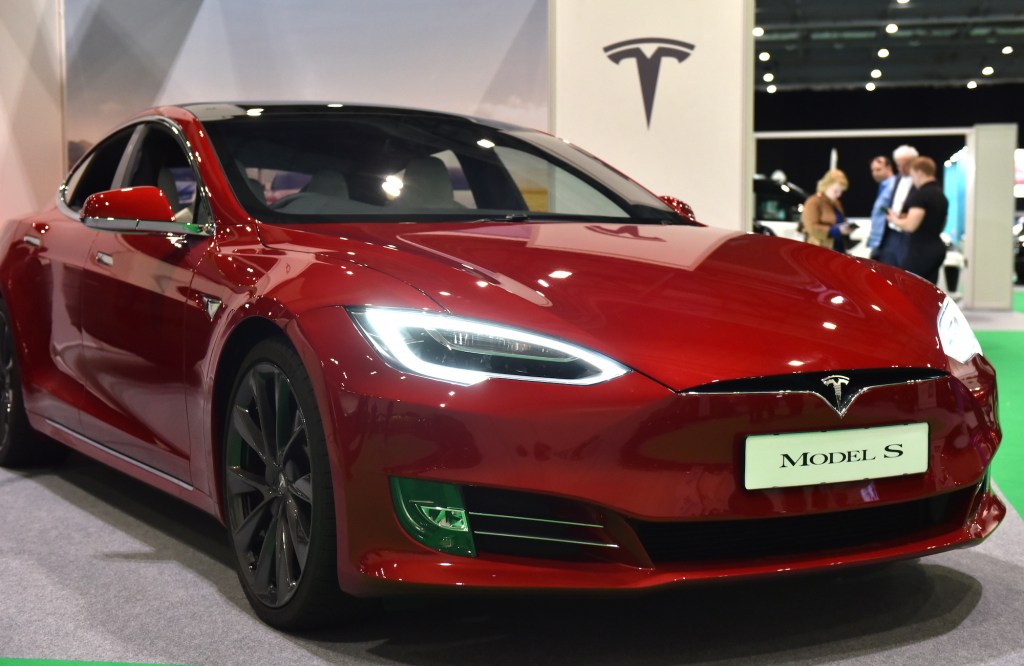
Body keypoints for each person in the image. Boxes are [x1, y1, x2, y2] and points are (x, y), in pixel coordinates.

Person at [887, 156, 948, 284]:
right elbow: (940, 223)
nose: (913, 180)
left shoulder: (921, 195)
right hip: (936, 248)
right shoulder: (941, 195)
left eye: (912, 175)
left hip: (920, 251)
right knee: (928, 291)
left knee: (909, 287)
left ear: (919, 172)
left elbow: (910, 226)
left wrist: (894, 220)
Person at [875, 145, 919, 266]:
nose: (902, 169)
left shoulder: (921, 181)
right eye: (899, 165)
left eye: (906, 165)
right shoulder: (898, 178)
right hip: (891, 236)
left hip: (910, 239)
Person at [800, 168, 854, 252]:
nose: (839, 194)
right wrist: (835, 230)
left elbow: (840, 221)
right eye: (836, 191)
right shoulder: (813, 202)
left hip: (838, 249)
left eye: (841, 191)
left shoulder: (836, 203)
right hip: (820, 250)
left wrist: (847, 228)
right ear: (826, 186)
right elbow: (811, 228)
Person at [867, 155, 896, 259]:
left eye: (878, 170)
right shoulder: (884, 186)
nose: (875, 173)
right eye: (873, 170)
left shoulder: (894, 186)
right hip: (878, 242)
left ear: (888, 167)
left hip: (887, 242)